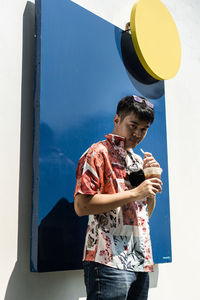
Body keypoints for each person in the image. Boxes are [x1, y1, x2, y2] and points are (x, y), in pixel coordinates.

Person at [74, 95, 162, 300]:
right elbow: (81, 205)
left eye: (144, 129)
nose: (137, 133)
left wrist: (151, 186)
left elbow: (144, 215)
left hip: (140, 260)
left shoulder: (137, 159)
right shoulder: (98, 152)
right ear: (117, 120)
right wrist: (135, 192)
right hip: (108, 261)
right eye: (133, 125)